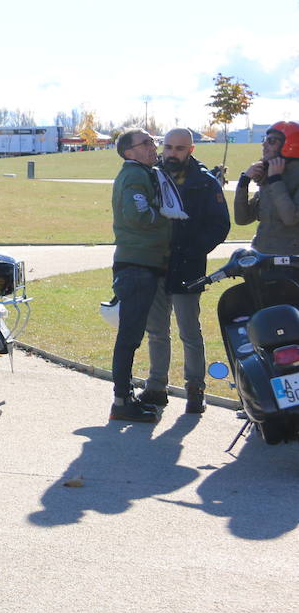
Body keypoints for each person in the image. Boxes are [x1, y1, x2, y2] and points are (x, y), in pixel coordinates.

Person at [137, 128, 230, 415]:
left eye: (179, 148)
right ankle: (156, 388)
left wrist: (192, 250)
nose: (172, 153)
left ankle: (195, 390)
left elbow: (220, 226)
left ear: (190, 149)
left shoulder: (205, 182)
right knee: (156, 332)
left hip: (187, 266)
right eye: (168, 147)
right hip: (156, 265)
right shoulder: (152, 175)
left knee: (189, 331)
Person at [108, 128, 172, 423]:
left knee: (131, 335)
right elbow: (138, 214)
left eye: (152, 142)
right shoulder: (134, 175)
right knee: (130, 336)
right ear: (128, 152)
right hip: (136, 266)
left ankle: (125, 398)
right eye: (145, 143)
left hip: (143, 264)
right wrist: (169, 217)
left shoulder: (145, 172)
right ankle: (121, 402)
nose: (152, 147)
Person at [234, 121, 299, 254]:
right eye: (264, 140)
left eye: (271, 141)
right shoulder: (268, 174)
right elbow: (242, 219)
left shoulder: (277, 177)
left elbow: (290, 218)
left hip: (291, 264)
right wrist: (244, 182)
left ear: (289, 145)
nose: (264, 145)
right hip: (262, 258)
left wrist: (275, 180)